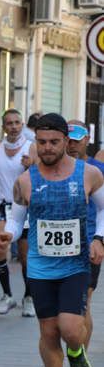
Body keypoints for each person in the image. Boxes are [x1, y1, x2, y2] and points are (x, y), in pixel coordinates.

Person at [0, 113, 104, 367]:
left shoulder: (88, 174)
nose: (46, 148)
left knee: (70, 327)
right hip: (41, 266)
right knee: (48, 331)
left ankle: (77, 351)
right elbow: (18, 220)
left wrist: (99, 239)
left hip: (76, 263)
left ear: (66, 141)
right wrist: (8, 234)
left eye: (53, 142)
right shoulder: (25, 181)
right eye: (41, 142)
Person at [0, 109, 34, 316]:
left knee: (25, 257)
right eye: (9, 123)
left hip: (24, 207)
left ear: (22, 124)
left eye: (17, 123)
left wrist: (31, 166)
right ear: (3, 126)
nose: (14, 127)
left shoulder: (31, 148)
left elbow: (42, 173)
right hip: (3, 204)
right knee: (0, 248)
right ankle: (7, 295)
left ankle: (29, 297)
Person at [65, 120, 104, 354]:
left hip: (90, 242)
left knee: (82, 303)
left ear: (86, 140)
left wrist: (99, 238)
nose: (71, 146)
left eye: (76, 141)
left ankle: (80, 360)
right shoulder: (53, 169)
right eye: (67, 141)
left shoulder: (98, 169)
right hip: (58, 247)